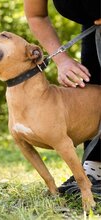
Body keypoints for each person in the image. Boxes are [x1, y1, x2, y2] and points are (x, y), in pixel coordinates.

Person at [24, 0, 101, 196]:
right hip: (93, 26)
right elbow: (36, 15)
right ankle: (95, 168)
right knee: (94, 93)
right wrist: (62, 60)